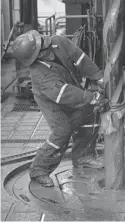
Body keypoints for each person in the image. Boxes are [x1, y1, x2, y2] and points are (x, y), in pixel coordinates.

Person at [12, 30, 105, 187]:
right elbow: (63, 93)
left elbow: (81, 59)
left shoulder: (60, 42)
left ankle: (83, 156)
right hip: (50, 100)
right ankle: (39, 171)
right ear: (36, 56)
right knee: (62, 131)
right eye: (42, 45)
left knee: (90, 113)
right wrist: (91, 97)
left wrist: (98, 76)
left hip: (68, 90)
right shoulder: (39, 73)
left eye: (43, 39)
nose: (46, 42)